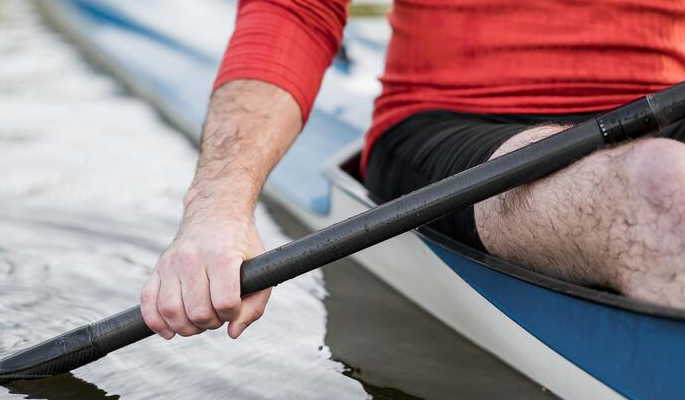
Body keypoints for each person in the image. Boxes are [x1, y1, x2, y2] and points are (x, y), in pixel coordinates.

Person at [139, 0, 685, 340]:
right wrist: (219, 211)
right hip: (456, 125)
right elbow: (294, 12)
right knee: (663, 188)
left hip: (668, 107)